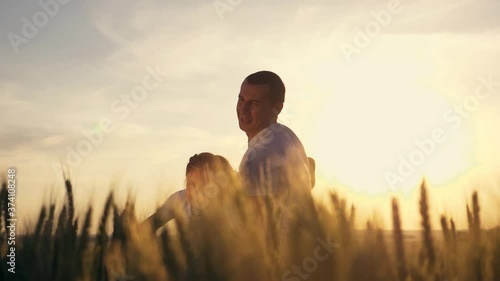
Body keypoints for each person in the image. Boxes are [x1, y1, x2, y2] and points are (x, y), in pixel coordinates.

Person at [236, 70, 313, 215]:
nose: (243, 110)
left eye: (253, 103)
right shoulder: (286, 136)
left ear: (276, 108)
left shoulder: (258, 156)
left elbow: (256, 227)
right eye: (241, 99)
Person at [143, 152, 237, 231]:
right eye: (191, 184)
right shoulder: (179, 199)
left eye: (202, 185)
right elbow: (148, 226)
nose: (194, 191)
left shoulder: (226, 208)